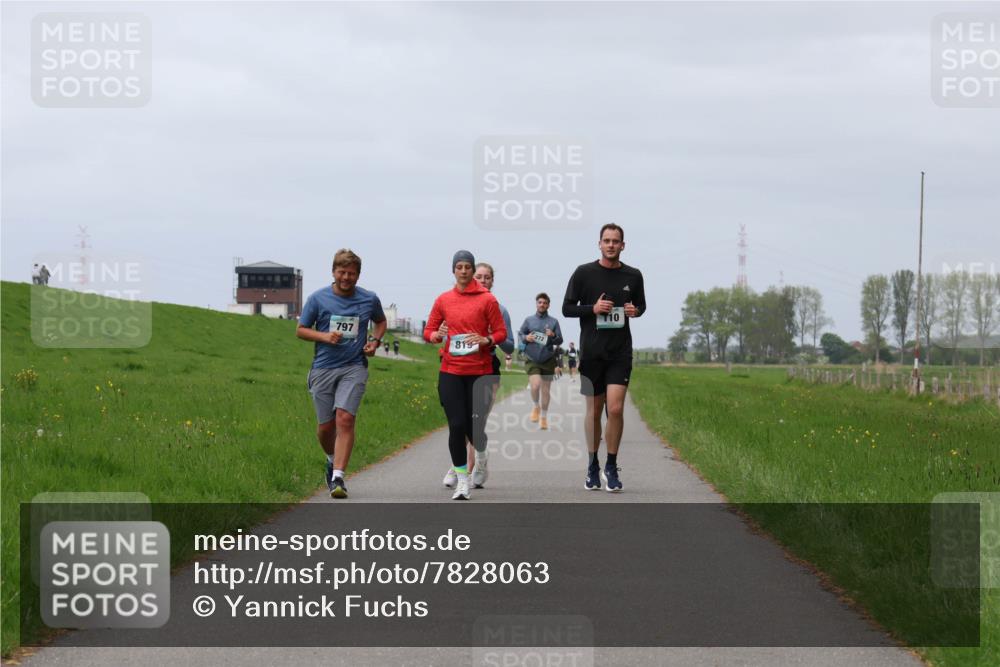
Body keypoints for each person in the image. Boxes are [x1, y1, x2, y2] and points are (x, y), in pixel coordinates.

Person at [297, 249, 386, 499]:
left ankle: (338, 477)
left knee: (345, 419)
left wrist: (374, 342)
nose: (346, 277)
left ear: (358, 275)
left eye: (351, 273)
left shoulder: (369, 299)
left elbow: (380, 322)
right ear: (333, 272)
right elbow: (301, 330)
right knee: (326, 428)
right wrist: (324, 336)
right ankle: (330, 458)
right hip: (323, 367)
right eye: (342, 272)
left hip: (354, 366)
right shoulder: (318, 299)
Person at [562, 223, 645, 492]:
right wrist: (593, 308)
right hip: (592, 353)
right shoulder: (584, 273)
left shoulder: (633, 275)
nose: (611, 245)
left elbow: (641, 305)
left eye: (616, 241)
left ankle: (611, 464)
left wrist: (635, 310)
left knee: (617, 408)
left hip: (619, 352)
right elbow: (567, 308)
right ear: (599, 244)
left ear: (623, 245)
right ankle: (592, 464)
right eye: (606, 240)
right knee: (595, 411)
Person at [424, 251, 507, 500]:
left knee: (474, 426)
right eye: (458, 267)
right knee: (456, 425)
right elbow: (429, 330)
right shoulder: (443, 300)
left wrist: (486, 339)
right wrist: (435, 337)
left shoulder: (487, 300)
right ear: (453, 270)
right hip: (450, 370)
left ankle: (480, 455)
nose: (463, 271)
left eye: (467, 267)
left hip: (479, 372)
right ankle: (462, 480)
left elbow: (501, 332)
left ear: (472, 270)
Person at [441, 262, 515, 490]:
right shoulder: (455, 303)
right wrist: (441, 333)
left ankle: (475, 465)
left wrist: (492, 336)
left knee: (475, 421)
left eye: (487, 277)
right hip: (458, 366)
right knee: (459, 420)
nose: (482, 281)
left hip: (487, 367)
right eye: (479, 276)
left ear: (492, 281)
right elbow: (447, 338)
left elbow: (510, 346)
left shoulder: (498, 309)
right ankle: (461, 466)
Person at [518, 293, 563, 430]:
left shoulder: (554, 321)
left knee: (546, 390)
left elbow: (560, 340)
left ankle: (543, 417)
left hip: (548, 359)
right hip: (532, 358)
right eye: (539, 302)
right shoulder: (529, 320)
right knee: (535, 385)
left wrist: (553, 335)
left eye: (544, 303)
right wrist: (526, 337)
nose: (542, 304)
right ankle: (536, 406)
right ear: (536, 304)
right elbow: (520, 334)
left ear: (548, 305)